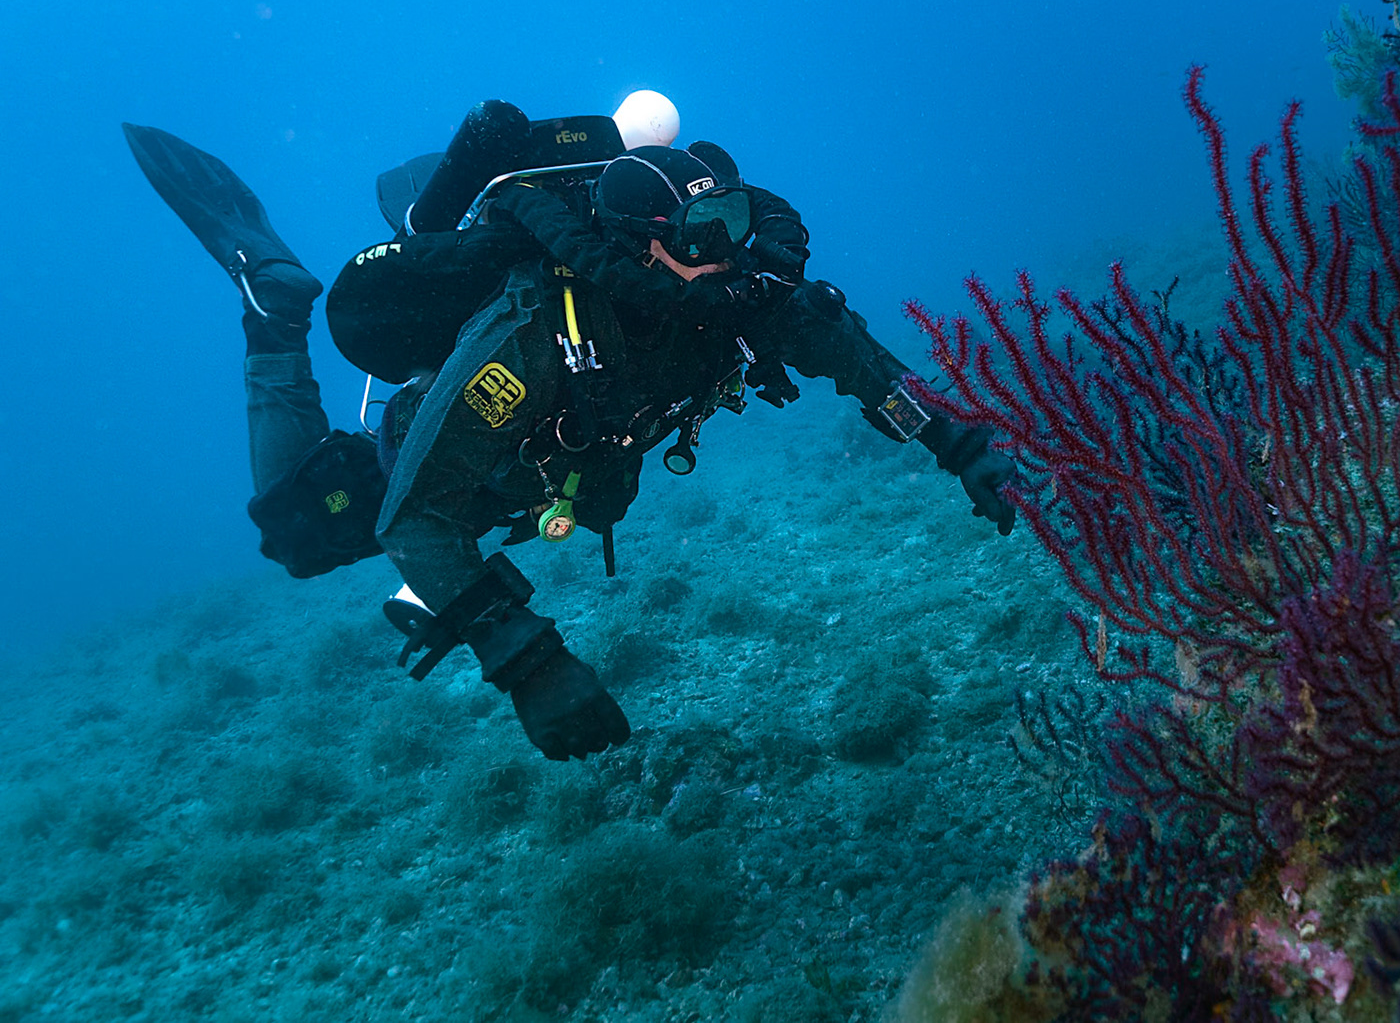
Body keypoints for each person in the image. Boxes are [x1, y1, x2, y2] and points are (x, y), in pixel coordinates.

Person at [125, 91, 1016, 761]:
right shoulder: (533, 339)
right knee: (298, 539)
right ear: (639, 246)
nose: (725, 255)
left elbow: (857, 361)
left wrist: (958, 444)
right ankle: (273, 312)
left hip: (561, 472)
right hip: (461, 466)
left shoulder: (739, 293)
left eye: (730, 222)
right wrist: (530, 665)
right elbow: (416, 516)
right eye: (698, 236)